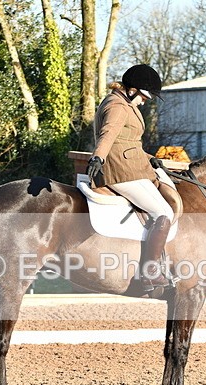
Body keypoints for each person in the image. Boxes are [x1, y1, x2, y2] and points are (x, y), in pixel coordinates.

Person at [86, 64, 175, 294]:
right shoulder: (117, 106)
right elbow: (108, 134)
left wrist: (150, 158)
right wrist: (98, 158)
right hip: (120, 171)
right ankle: (149, 272)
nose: (145, 101)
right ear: (133, 89)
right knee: (163, 212)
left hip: (133, 165)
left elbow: (128, 142)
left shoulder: (123, 102)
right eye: (145, 96)